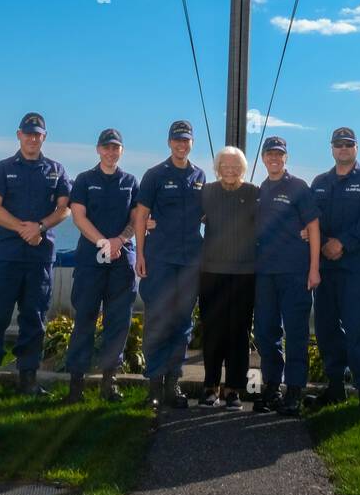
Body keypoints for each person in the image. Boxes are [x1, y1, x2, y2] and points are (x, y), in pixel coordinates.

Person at [0, 112, 71, 400]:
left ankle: (28, 380)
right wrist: (23, 228)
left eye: (37, 134)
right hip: (6, 256)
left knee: (35, 319)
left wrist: (41, 227)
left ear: (44, 137)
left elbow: (65, 208)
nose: (32, 138)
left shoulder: (56, 170)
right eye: (27, 133)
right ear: (19, 135)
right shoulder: (3, 168)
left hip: (39, 259)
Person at [309, 126, 360, 414]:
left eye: (348, 145)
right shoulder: (319, 183)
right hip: (326, 269)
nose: (343, 149)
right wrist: (326, 243)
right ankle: (335, 386)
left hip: (357, 269)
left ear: (356, 148)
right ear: (331, 149)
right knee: (327, 330)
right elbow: (310, 219)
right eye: (338, 145)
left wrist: (343, 243)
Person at [133, 120, 206, 412]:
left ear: (191, 143)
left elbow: (207, 216)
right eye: (177, 139)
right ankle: (153, 383)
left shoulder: (199, 176)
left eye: (186, 140)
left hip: (189, 263)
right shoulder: (155, 175)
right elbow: (141, 216)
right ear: (169, 142)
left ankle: (172, 382)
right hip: (160, 259)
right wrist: (139, 254)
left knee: (182, 323)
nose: (181, 144)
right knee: (157, 321)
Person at [65, 128, 138, 404]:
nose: (110, 152)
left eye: (115, 148)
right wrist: (102, 242)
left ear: (121, 151)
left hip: (121, 261)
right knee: (84, 318)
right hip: (91, 260)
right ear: (98, 150)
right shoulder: (85, 180)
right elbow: (78, 217)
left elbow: (136, 219)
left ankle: (110, 383)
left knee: (118, 322)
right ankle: (76, 385)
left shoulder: (130, 181)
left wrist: (120, 240)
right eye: (106, 147)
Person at [253, 136, 320, 417]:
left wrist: (314, 267)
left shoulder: (298, 187)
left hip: (295, 273)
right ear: (264, 158)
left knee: (295, 333)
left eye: (279, 154)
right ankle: (271, 386)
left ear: (286, 158)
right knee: (266, 333)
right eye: (270, 154)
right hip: (264, 274)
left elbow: (313, 227)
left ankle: (294, 389)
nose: (274, 159)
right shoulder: (259, 190)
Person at [198, 146, 258, 410]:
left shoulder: (254, 193)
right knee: (212, 331)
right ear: (217, 168)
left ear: (242, 169)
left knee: (239, 333)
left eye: (235, 166)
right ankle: (210, 386)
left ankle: (233, 389)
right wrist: (153, 222)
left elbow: (274, 222)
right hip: (211, 272)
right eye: (225, 166)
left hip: (245, 274)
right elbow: (185, 217)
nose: (230, 170)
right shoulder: (207, 192)